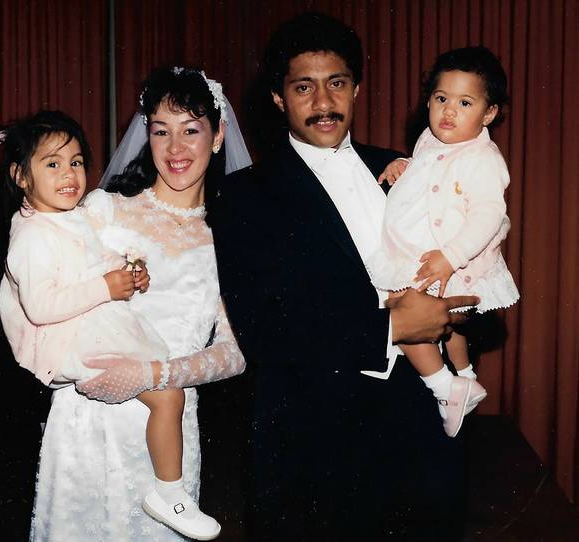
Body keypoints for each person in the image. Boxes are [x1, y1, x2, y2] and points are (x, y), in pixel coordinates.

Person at [205, 13, 480, 541]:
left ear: (357, 87)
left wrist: (464, 306)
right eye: (303, 87)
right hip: (315, 448)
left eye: (337, 83)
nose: (323, 102)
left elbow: (468, 264)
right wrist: (393, 328)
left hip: (421, 431)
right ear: (279, 98)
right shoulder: (244, 196)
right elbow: (265, 329)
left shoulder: (409, 169)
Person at [23, 68, 248, 541]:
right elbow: (36, 284)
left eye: (191, 130)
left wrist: (156, 376)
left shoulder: (230, 239)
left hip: (163, 430)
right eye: (161, 131)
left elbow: (235, 352)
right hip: (86, 416)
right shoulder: (104, 210)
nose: (175, 148)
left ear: (218, 135)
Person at [371, 46, 519, 438]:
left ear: (489, 114)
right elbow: (424, 172)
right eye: (441, 99)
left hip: (448, 257)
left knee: (401, 315)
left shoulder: (483, 158)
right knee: (447, 328)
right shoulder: (429, 139)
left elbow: (488, 214)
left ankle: (445, 386)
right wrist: (404, 164)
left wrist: (451, 257)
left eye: (464, 103)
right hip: (423, 250)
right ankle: (466, 375)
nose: (449, 112)